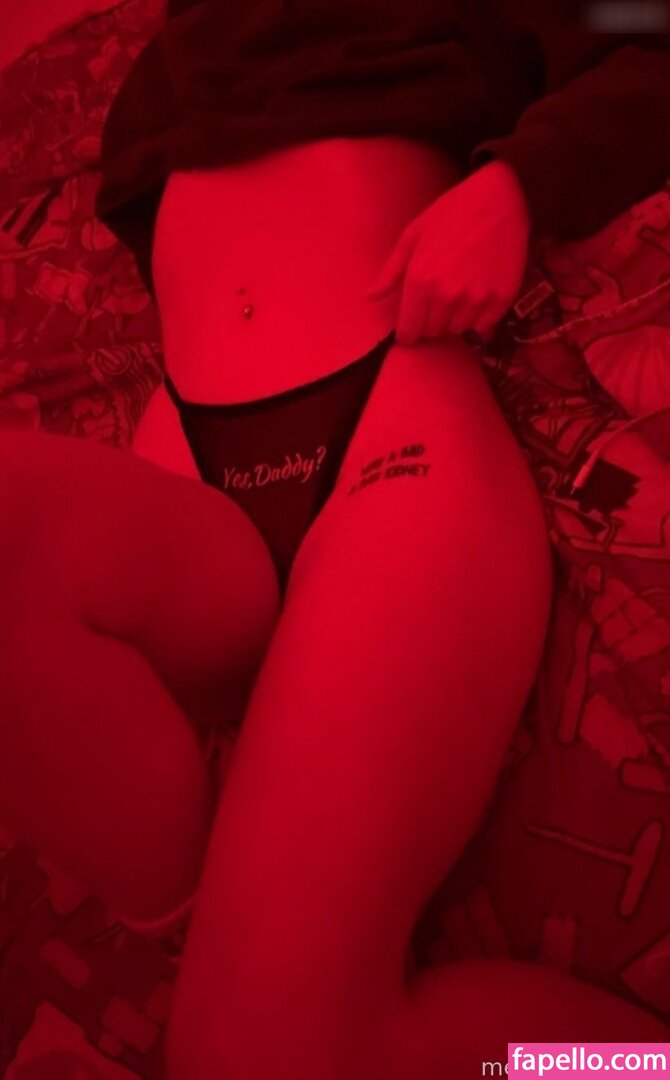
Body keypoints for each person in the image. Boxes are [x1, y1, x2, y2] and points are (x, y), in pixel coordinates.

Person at [0, 1, 668, 1077]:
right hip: (188, 468)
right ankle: (205, 908)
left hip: (383, 443)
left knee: (256, 1051)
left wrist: (518, 187)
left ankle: (637, 1068)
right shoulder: (190, 35)